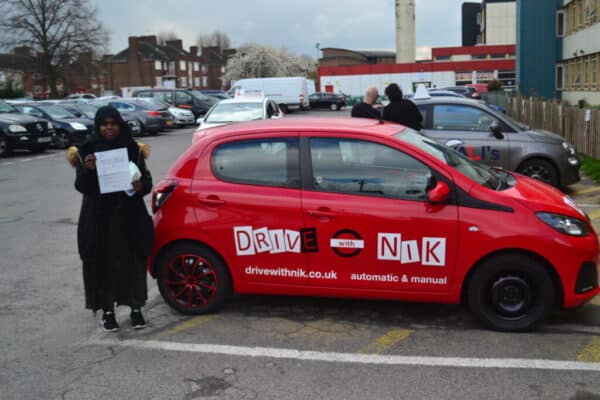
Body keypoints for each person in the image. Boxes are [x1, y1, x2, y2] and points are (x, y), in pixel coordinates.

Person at [67, 106, 154, 332]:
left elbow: (145, 181)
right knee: (102, 264)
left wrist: (140, 185)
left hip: (128, 216)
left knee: (132, 263)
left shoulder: (133, 148)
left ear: (119, 125)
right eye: (104, 124)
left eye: (113, 123)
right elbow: (81, 186)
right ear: (97, 126)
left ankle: (136, 309)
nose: (109, 128)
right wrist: (87, 170)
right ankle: (107, 312)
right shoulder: (86, 149)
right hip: (98, 218)